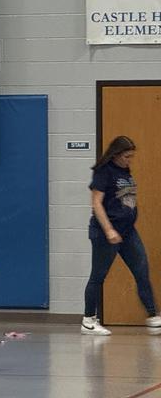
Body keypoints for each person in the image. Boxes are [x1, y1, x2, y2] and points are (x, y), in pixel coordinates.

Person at [82, 136, 161, 335]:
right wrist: (109, 230)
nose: (129, 160)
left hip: (128, 232)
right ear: (116, 155)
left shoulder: (124, 171)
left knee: (141, 271)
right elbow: (97, 203)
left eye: (131, 156)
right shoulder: (104, 172)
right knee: (98, 276)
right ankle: (88, 320)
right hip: (105, 233)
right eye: (127, 156)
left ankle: (154, 316)